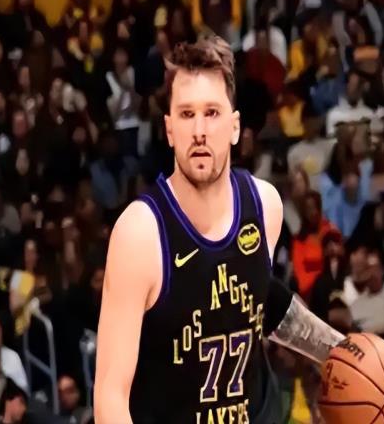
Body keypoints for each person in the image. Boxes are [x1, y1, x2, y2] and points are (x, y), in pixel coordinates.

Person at [95, 35, 344, 424]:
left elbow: (255, 296)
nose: (199, 130)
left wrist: (341, 352)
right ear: (169, 129)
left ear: (235, 126)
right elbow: (110, 397)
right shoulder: (140, 234)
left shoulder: (265, 206)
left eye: (212, 112)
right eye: (186, 114)